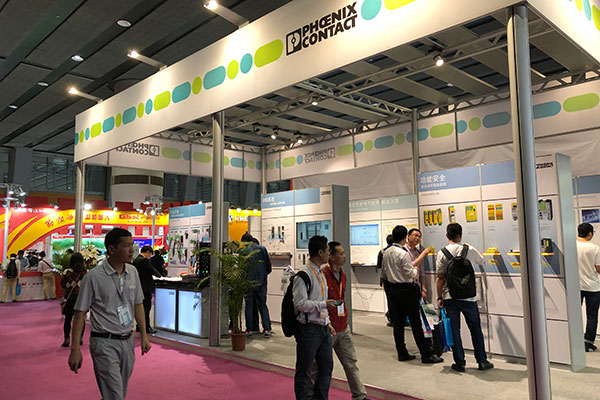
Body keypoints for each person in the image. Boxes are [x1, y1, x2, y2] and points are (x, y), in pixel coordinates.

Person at [68, 228, 151, 400]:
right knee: (115, 395)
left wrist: (144, 335)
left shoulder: (132, 272)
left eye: (132, 245)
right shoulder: (93, 277)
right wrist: (75, 348)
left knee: (117, 392)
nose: (132, 250)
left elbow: (138, 304)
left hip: (127, 340)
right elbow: (80, 314)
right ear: (112, 249)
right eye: (126, 246)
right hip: (104, 342)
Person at [435, 223, 493, 372]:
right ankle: (482, 361)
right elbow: (481, 260)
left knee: (454, 330)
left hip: (450, 297)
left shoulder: (442, 253)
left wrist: (439, 297)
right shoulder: (469, 249)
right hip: (469, 297)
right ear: (461, 235)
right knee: (475, 329)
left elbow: (440, 277)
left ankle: (460, 363)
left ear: (447, 235)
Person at [382, 225, 442, 364]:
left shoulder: (386, 252)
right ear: (405, 237)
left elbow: (384, 273)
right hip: (407, 290)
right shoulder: (403, 253)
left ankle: (402, 352)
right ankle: (425, 355)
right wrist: (415, 269)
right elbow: (412, 274)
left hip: (393, 290)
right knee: (416, 323)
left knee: (398, 324)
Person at [320, 241, 369, 400]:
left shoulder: (343, 275)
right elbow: (319, 302)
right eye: (341, 254)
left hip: (343, 326)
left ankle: (360, 395)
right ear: (331, 256)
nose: (344, 256)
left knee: (351, 363)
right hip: (328, 328)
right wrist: (326, 322)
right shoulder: (322, 275)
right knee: (321, 366)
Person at [293, 235, 336, 400]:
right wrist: (323, 304)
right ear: (320, 252)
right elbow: (300, 304)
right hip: (308, 329)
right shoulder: (303, 275)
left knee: (326, 368)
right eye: (328, 251)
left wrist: (327, 321)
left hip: (323, 327)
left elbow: (321, 299)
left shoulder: (321, 273)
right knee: (304, 371)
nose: (329, 254)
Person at [241, 232, 273, 337]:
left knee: (249, 306)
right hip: (261, 282)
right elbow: (268, 266)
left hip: (248, 282)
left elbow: (242, 269)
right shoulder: (262, 249)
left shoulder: (243, 251)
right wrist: (263, 275)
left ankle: (249, 330)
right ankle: (267, 329)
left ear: (245, 241)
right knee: (262, 305)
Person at [576, 223, 600, 352]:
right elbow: (598, 268)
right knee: (592, 316)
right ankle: (588, 343)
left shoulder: (571, 246)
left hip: (576, 286)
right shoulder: (594, 249)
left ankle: (574, 340)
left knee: (575, 314)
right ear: (590, 234)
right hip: (593, 287)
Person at [133, 245, 161, 334]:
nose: (150, 257)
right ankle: (146, 327)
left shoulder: (136, 260)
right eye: (150, 254)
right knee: (146, 308)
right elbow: (152, 270)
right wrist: (159, 276)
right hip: (145, 288)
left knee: (140, 308)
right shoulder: (144, 260)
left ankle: (139, 326)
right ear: (148, 252)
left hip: (139, 287)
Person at [61, 252, 87, 347]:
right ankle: (80, 338)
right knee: (81, 318)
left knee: (68, 319)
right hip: (81, 298)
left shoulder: (67, 272)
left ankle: (67, 339)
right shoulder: (85, 273)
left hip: (70, 298)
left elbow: (62, 284)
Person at [404, 229, 428, 300]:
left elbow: (421, 272)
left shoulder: (417, 252)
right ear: (408, 236)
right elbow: (410, 266)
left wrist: (423, 289)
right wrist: (423, 254)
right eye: (416, 236)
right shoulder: (403, 250)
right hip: (406, 285)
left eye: (419, 237)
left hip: (416, 286)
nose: (417, 238)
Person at [377, 235, 394, 326]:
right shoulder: (399, 251)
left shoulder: (382, 251)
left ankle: (391, 317)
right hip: (397, 280)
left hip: (386, 279)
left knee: (389, 299)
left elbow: (379, 266)